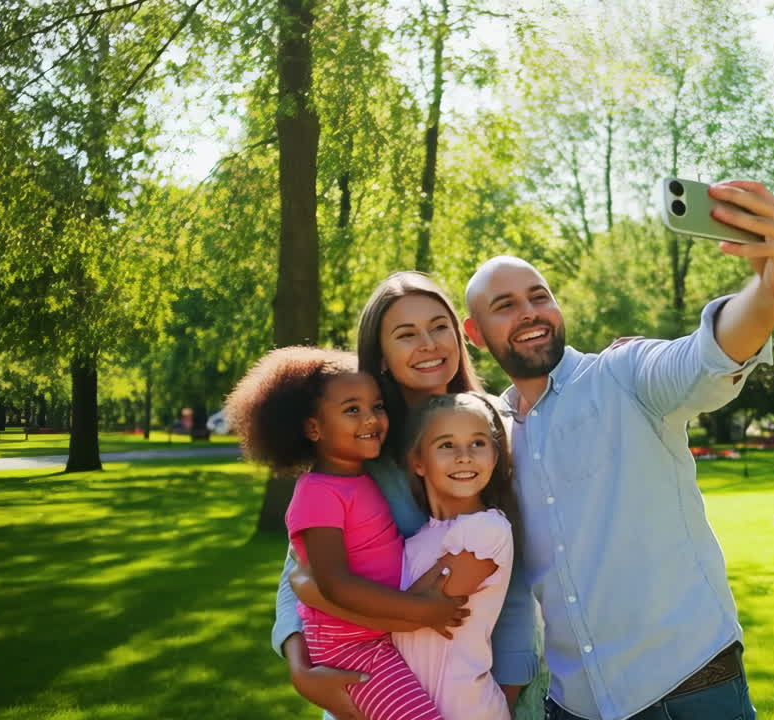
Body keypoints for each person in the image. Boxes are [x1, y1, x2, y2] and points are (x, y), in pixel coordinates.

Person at [461, 180, 774, 720]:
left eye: (539, 296)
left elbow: (705, 358)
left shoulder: (624, 375)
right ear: (476, 334)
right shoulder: (489, 441)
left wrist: (769, 293)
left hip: (690, 689)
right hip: (574, 705)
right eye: (505, 306)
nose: (529, 312)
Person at [271, 273, 542, 720]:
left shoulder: (498, 430)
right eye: (406, 334)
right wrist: (301, 668)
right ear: (380, 356)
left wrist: (506, 693)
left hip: (479, 690)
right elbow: (298, 571)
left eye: (439, 327)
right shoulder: (358, 448)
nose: (429, 344)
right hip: (373, 688)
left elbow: (517, 577)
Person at [226, 347, 460, 720]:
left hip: (375, 638)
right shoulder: (318, 493)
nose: (371, 419)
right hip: (352, 650)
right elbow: (333, 582)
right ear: (313, 428)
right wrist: (420, 611)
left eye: (377, 406)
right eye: (352, 409)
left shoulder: (358, 478)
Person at [386, 392, 522, 720]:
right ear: (418, 461)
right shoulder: (413, 541)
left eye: (478, 443)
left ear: (494, 455)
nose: (464, 456)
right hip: (404, 707)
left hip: (466, 709)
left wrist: (328, 596)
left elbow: (407, 616)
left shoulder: (487, 530)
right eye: (446, 445)